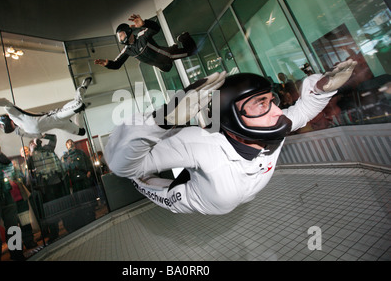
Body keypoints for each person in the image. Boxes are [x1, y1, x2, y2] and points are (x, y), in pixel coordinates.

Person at [104, 59, 358, 215]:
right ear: (233, 117)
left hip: (242, 192)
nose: (278, 112)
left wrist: (322, 87)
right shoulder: (201, 145)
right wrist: (162, 120)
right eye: (261, 104)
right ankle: (146, 177)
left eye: (272, 101)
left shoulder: (273, 129)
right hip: (201, 200)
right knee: (142, 178)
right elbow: (124, 166)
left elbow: (301, 111)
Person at [0, 77, 93, 138]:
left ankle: (81, 90)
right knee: (81, 132)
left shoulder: (16, 117)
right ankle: (80, 110)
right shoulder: (22, 130)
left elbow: (5, 103)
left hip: (56, 116)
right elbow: (38, 136)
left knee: (78, 105)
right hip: (59, 124)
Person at [94, 14, 197, 73]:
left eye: (121, 35)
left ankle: (184, 38)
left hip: (167, 55)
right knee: (167, 69)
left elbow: (156, 28)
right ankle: (174, 46)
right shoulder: (127, 50)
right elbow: (117, 64)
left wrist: (144, 24)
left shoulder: (141, 36)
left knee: (192, 51)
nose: (120, 39)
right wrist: (108, 64)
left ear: (128, 32)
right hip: (161, 66)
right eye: (119, 37)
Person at [27, 134, 67, 242]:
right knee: (49, 211)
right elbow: (29, 166)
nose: (34, 144)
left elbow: (54, 138)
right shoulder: (31, 157)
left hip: (56, 183)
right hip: (44, 188)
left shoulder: (47, 149)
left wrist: (42, 135)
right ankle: (54, 233)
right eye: (32, 144)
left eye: (34, 142)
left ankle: (68, 226)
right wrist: (32, 152)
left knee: (61, 205)